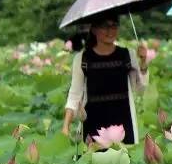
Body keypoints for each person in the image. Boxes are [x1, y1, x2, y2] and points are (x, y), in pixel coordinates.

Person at [62, 15, 149, 145]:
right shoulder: (83, 59)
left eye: (114, 26)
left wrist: (143, 61)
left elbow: (140, 89)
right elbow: (75, 95)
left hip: (123, 125)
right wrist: (66, 126)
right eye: (105, 26)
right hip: (93, 124)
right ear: (94, 29)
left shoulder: (127, 55)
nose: (110, 31)